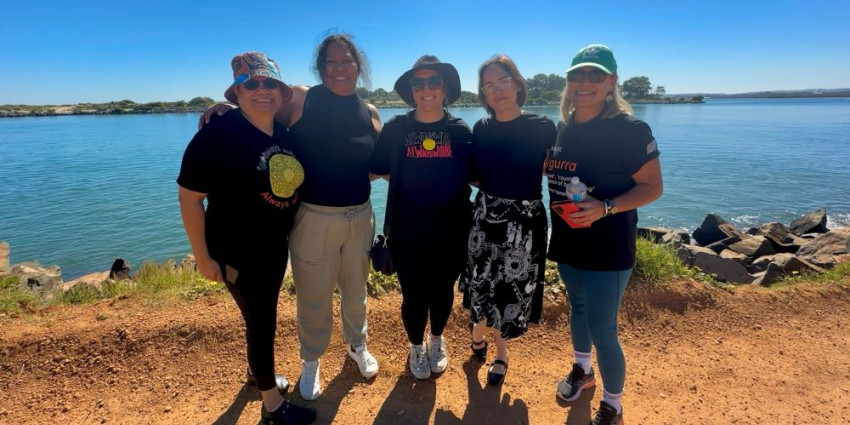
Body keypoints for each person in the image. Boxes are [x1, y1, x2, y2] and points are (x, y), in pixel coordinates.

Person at [200, 34, 382, 401]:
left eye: (346, 60)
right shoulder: (301, 97)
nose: (339, 67)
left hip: (360, 215)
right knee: (313, 297)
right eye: (331, 61)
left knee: (356, 291)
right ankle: (311, 360)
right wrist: (223, 111)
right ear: (321, 67)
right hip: (313, 217)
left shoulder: (371, 112)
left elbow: (378, 166)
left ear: (357, 66)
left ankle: (356, 345)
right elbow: (258, 112)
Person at [178, 52, 316, 425]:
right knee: (261, 323)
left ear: (280, 91)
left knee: (258, 318)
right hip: (237, 249)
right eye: (250, 84)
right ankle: (273, 407)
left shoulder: (282, 131)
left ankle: (258, 375)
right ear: (236, 92)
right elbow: (190, 198)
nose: (261, 90)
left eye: (269, 83)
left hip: (273, 247)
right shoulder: (218, 133)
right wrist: (203, 257)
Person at [547, 44, 663, 425]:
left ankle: (613, 405)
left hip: (609, 250)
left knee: (603, 328)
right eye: (577, 75)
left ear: (612, 82)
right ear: (568, 82)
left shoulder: (630, 130)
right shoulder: (563, 128)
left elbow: (652, 187)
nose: (585, 82)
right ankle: (583, 371)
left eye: (595, 75)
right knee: (577, 311)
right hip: (568, 243)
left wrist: (605, 207)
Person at [369, 56, 474, 380]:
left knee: (443, 292)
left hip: (452, 230)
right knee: (413, 296)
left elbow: (477, 175)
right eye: (419, 84)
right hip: (407, 231)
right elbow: (374, 169)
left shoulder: (459, 131)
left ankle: (436, 340)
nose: (426, 89)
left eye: (434, 82)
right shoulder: (395, 129)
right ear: (412, 91)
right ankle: (416, 346)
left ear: (444, 89)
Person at [460, 54, 555, 386]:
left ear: (517, 84)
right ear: (483, 94)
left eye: (503, 82)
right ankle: (476, 335)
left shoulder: (544, 126)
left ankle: (501, 354)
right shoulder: (480, 128)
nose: (497, 90)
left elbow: (556, 171)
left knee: (509, 291)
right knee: (480, 283)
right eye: (489, 85)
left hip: (525, 222)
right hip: (485, 217)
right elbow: (472, 173)